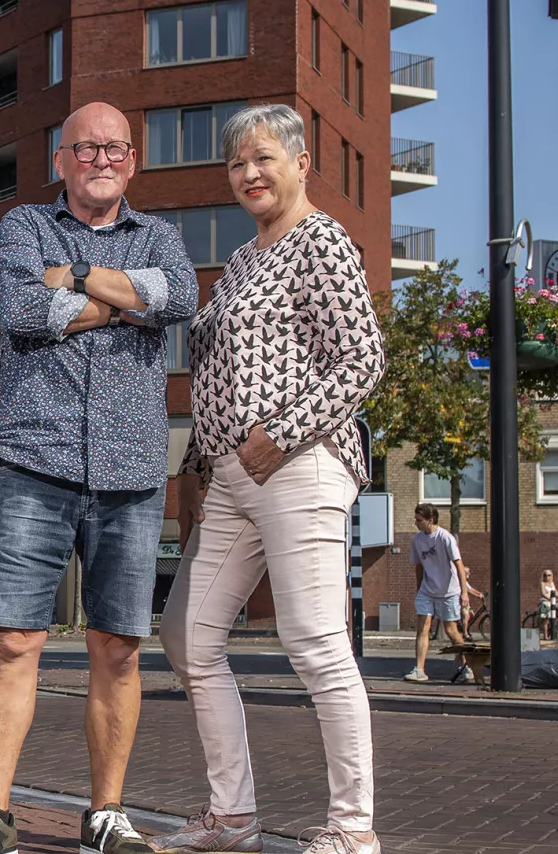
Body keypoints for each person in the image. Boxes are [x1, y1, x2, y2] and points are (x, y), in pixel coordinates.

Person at [0, 102, 197, 854]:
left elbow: (179, 298)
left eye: (115, 148)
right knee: (15, 640)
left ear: (133, 160)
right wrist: (128, 302)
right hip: (35, 463)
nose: (101, 159)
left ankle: (106, 816)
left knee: (119, 648)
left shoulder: (161, 237)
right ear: (61, 160)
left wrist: (77, 279)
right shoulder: (23, 226)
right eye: (86, 148)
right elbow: (22, 311)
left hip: (132, 470)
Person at [151, 104, 386, 854]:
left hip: (301, 465)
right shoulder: (245, 259)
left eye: (263, 159)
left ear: (300, 163)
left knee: (315, 641)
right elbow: (219, 375)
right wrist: (197, 464)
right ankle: (233, 818)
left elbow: (363, 359)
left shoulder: (322, 242)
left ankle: (353, 828)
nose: (249, 174)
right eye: (237, 164)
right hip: (228, 477)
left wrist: (280, 435)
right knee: (187, 636)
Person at [404, 503, 481, 684]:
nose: (416, 523)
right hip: (427, 590)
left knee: (450, 630)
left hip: (448, 591)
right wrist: (419, 588)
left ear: (430, 520)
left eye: (419, 520)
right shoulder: (417, 540)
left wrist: (464, 592)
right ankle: (419, 670)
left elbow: (459, 565)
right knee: (423, 627)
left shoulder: (445, 538)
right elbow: (418, 566)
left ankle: (467, 667)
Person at [538, 569, 558, 641]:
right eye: (545, 575)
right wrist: (551, 599)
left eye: (549, 575)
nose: (547, 577)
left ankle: (554, 633)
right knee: (547, 620)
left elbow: (556, 592)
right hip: (546, 602)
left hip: (553, 603)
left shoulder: (552, 583)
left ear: (551, 576)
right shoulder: (542, 583)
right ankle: (545, 636)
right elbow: (543, 593)